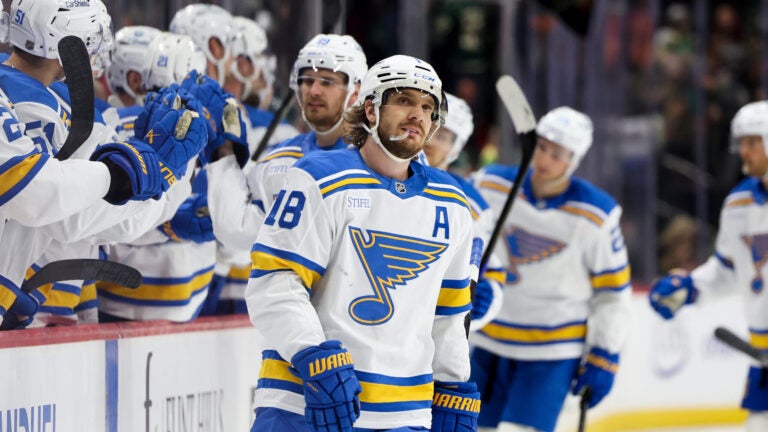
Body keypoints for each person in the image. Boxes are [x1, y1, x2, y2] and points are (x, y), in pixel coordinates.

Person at [246, 54, 481, 432]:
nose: (417, 115)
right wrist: (311, 354)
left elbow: (449, 313)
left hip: (404, 415)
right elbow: (276, 281)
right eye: (404, 100)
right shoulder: (319, 178)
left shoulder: (451, 203)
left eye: (427, 107)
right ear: (370, 109)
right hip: (305, 402)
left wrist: (451, 381)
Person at [470, 106, 632, 432]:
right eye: (541, 147)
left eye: (557, 154)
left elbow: (613, 294)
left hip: (551, 353)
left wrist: (605, 354)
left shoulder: (597, 215)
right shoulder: (489, 184)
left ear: (573, 161)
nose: (544, 159)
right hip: (488, 341)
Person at [204, 33, 366, 314]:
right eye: (306, 80)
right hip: (295, 329)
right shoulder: (278, 159)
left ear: (355, 90)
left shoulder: (380, 161)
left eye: (327, 82)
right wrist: (225, 152)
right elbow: (237, 231)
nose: (313, 90)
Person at [649, 100, 768, 431]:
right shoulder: (739, 204)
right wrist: (690, 288)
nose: (743, 152)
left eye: (753, 143)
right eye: (741, 143)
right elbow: (730, 270)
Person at [423, 92, 504, 330]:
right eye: (430, 126)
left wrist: (484, 297)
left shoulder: (472, 203)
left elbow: (487, 267)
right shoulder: (380, 175)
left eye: (444, 136)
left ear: (456, 149)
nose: (431, 140)